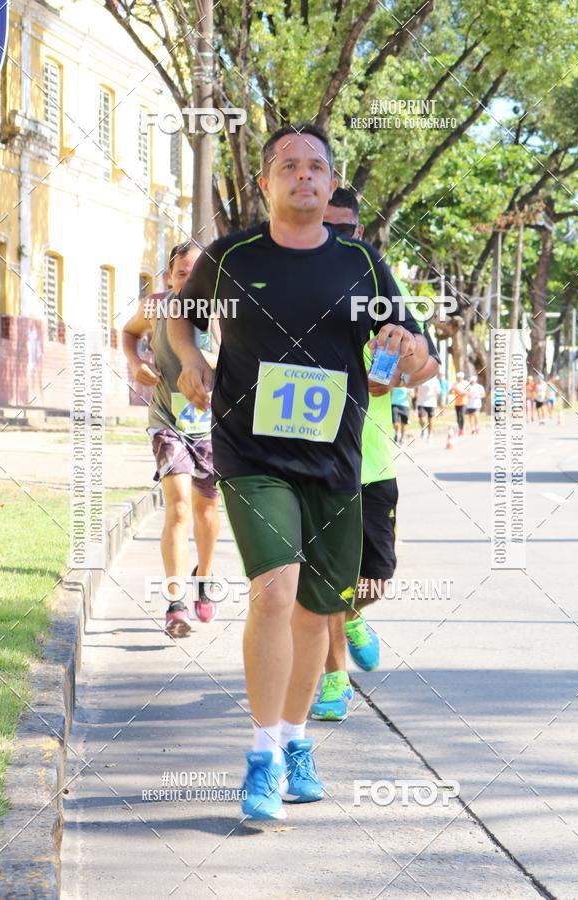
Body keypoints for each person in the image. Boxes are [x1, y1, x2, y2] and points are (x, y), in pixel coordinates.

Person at [168, 123, 431, 821]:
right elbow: (180, 319)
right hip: (250, 454)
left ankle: (293, 741)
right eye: (289, 166)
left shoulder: (363, 264)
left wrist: (404, 350)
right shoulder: (228, 258)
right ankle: (259, 759)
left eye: (317, 166)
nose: (304, 176)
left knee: (320, 612)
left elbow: (405, 355)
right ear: (266, 183)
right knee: (275, 592)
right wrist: (193, 359)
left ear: (331, 181)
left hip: (335, 458)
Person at [309, 190, 440, 723]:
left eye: (348, 229)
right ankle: (334, 681)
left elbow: (426, 365)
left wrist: (408, 356)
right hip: (313, 465)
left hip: (373, 462)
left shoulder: (382, 289)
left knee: (373, 581)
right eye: (329, 228)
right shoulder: (291, 285)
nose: (340, 238)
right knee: (325, 581)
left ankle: (355, 617)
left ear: (360, 233)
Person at [122, 242, 220, 637]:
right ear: (169, 277)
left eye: (197, 274)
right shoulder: (156, 307)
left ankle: (204, 577)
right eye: (182, 274)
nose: (189, 281)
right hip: (167, 421)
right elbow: (129, 334)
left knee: (207, 513)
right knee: (178, 508)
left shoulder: (222, 312)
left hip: (214, 425)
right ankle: (176, 603)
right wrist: (136, 362)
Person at [416, 375, 441, 440]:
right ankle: (424, 429)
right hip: (421, 402)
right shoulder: (421, 378)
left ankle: (430, 434)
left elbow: (438, 391)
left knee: (430, 420)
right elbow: (417, 388)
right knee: (422, 418)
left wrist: (434, 394)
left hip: (431, 402)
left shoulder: (435, 380)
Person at [450, 371, 468, 436]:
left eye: (460, 377)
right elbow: (451, 391)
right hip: (457, 402)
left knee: (462, 415)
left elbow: (469, 392)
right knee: (458, 417)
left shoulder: (465, 383)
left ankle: (462, 429)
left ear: (462, 377)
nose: (459, 378)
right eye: (458, 377)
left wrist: (463, 393)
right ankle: (460, 428)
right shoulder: (454, 384)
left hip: (464, 402)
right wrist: (453, 391)